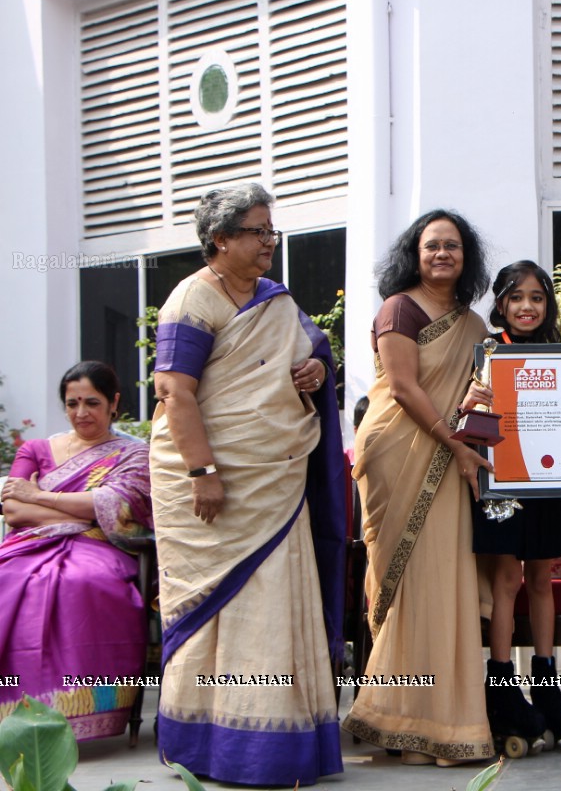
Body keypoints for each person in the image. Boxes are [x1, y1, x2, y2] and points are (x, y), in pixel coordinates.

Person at [151, 183, 345, 786]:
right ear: (220, 240)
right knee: (216, 607)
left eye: (271, 230)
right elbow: (173, 392)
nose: (269, 242)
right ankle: (210, 744)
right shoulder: (191, 300)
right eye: (257, 231)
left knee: (274, 602)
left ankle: (274, 744)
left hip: (273, 478)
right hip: (208, 478)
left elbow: (311, 354)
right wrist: (204, 473)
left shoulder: (276, 302)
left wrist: (318, 368)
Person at [341, 209, 495, 766]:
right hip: (397, 451)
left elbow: (483, 394)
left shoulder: (474, 326)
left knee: (443, 578)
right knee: (403, 582)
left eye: (452, 246)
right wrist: (454, 443)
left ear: (465, 256)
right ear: (415, 252)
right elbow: (403, 387)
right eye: (432, 246)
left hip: (454, 457)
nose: (442, 255)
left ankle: (439, 724)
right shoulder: (398, 308)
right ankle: (399, 722)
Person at [462, 260, 561, 753]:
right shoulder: (485, 354)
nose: (527, 307)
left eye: (537, 298)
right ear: (501, 303)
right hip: (504, 483)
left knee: (543, 579)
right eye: (517, 297)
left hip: (551, 483)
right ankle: (500, 686)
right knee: (506, 581)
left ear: (548, 305)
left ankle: (546, 684)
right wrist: (469, 405)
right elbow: (464, 428)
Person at [0, 361, 153, 740]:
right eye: (72, 403)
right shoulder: (37, 448)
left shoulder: (135, 455)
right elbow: (14, 508)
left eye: (91, 402)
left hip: (99, 549)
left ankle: (78, 706)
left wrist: (40, 496)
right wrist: (84, 509)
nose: (81, 413)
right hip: (30, 544)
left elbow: (119, 508)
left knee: (83, 582)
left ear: (113, 402)